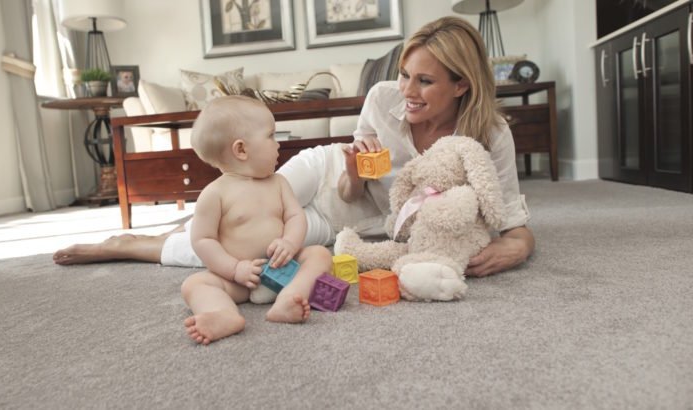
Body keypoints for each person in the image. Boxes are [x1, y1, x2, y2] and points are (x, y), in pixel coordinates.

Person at [53, 16, 533, 277]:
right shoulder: (382, 98)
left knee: (252, 247)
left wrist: (513, 251)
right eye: (404, 74)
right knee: (242, 203)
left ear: (462, 86)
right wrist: (353, 173)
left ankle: (140, 247)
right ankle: (162, 234)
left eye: (424, 81)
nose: (406, 90)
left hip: (346, 222)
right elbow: (350, 189)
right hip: (326, 175)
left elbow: (514, 225)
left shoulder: (488, 136)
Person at [178, 95, 331, 345]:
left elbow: (295, 216)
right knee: (194, 284)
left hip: (284, 268)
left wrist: (290, 243)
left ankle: (288, 299)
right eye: (271, 136)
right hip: (239, 281)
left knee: (319, 255)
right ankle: (223, 313)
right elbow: (203, 240)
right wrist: (234, 269)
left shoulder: (279, 183)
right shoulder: (214, 194)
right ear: (241, 149)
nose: (278, 144)